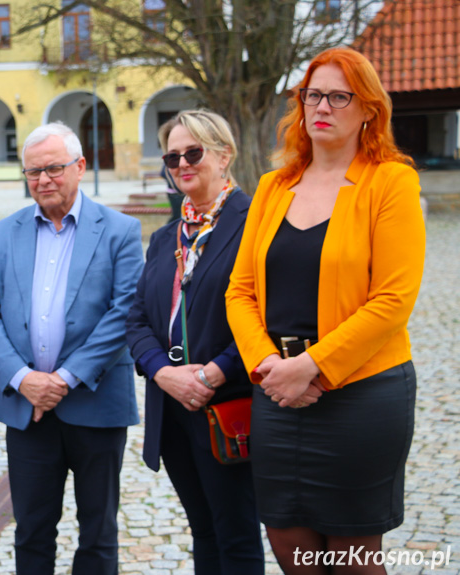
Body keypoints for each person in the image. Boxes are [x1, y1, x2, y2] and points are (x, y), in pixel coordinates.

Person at [226, 47, 425, 575]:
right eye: (314, 94)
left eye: (341, 96)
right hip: (278, 395)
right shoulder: (273, 187)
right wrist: (270, 368)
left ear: (368, 110)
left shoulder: (391, 183)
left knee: (354, 561)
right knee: (291, 549)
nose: (324, 106)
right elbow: (239, 292)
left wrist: (311, 367)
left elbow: (393, 300)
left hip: (361, 398)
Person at [0, 121, 144, 575]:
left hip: (96, 402)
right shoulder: (2, 234)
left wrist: (63, 379)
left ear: (80, 166)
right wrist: (24, 379)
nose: (43, 179)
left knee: (99, 532)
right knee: (30, 529)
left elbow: (124, 311)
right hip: (26, 410)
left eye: (53, 168)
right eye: (33, 172)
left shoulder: (121, 230)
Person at [125, 110, 264, 574]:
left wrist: (212, 372)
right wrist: (163, 372)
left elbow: (265, 315)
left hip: (228, 403)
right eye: (172, 156)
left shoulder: (254, 223)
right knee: (202, 529)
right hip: (173, 407)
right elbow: (138, 318)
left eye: (194, 152)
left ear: (224, 156)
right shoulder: (167, 237)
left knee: (237, 534)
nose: (182, 163)